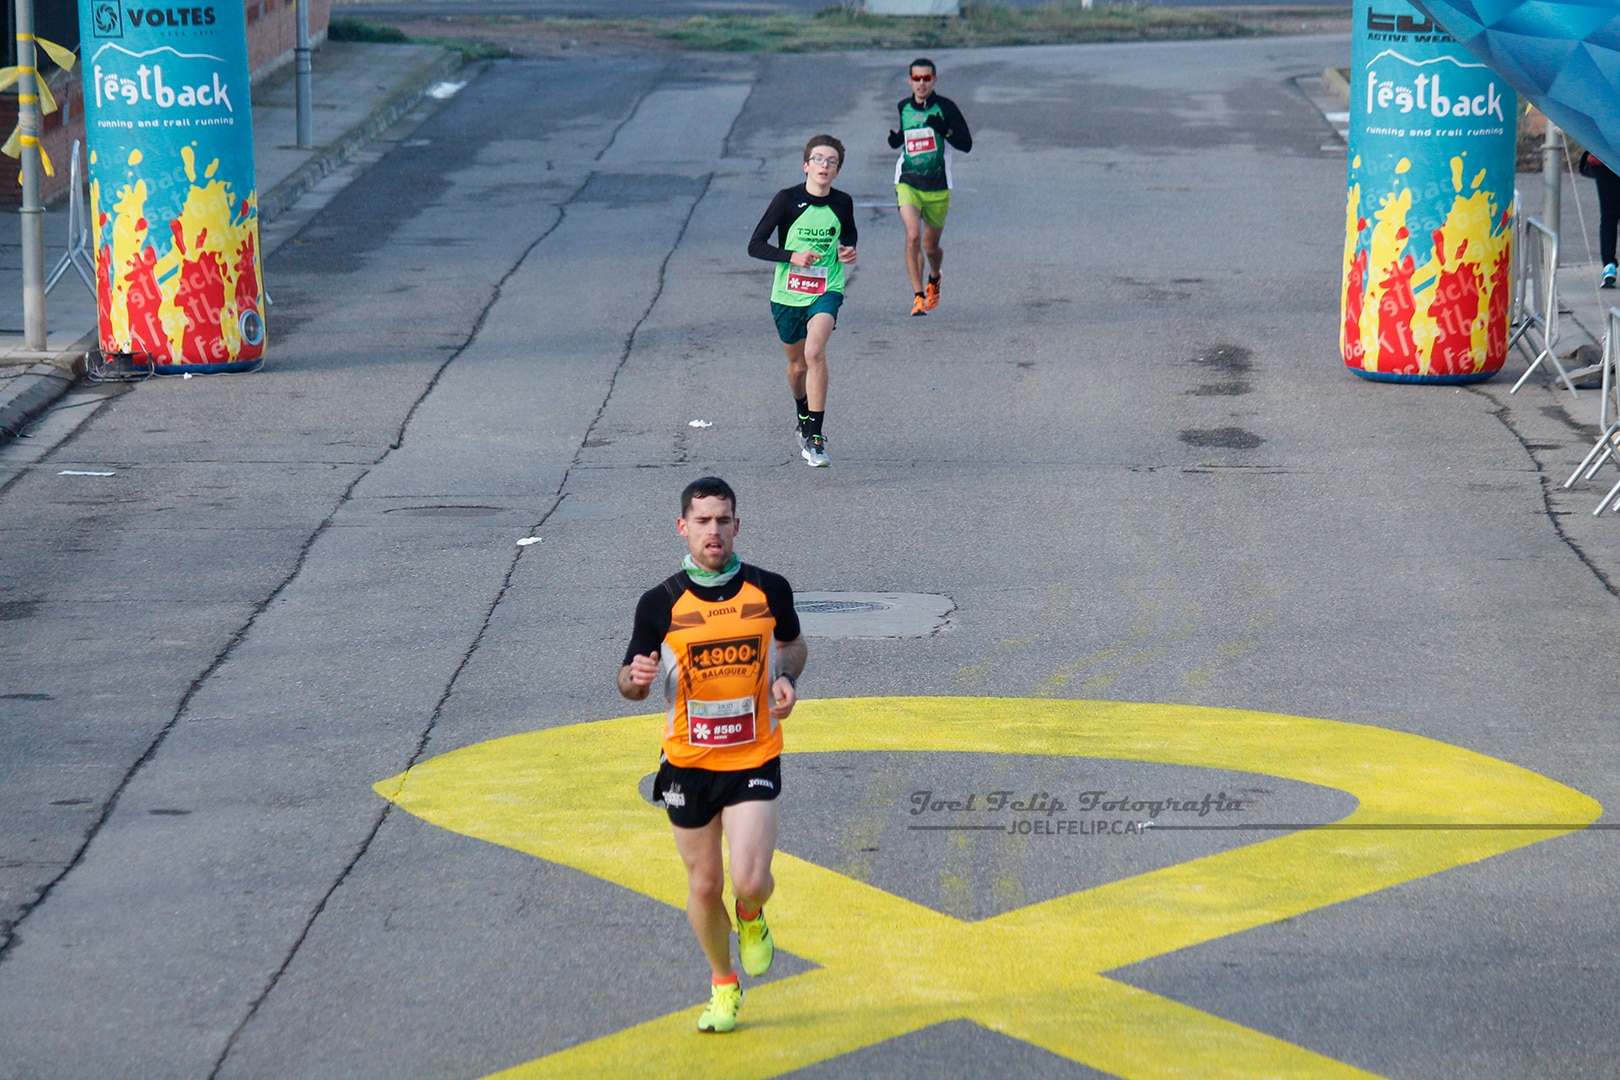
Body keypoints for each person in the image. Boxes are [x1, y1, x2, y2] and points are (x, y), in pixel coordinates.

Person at [618, 476, 807, 1034]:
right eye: (702, 522)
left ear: (736, 526)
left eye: (722, 520)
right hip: (687, 766)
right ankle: (723, 984)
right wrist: (636, 676)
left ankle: (751, 915)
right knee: (703, 885)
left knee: (748, 881)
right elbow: (629, 680)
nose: (713, 531)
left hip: (753, 757)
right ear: (683, 527)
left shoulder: (770, 589)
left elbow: (793, 644)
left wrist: (786, 678)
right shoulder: (660, 603)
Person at [748, 135, 858, 468]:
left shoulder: (843, 202)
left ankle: (815, 438)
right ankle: (802, 410)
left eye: (832, 162)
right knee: (797, 367)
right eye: (819, 160)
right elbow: (755, 245)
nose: (825, 166)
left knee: (814, 352)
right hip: (788, 294)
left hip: (827, 289)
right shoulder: (786, 200)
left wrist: (847, 250)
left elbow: (848, 233)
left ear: (837, 171)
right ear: (806, 165)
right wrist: (791, 256)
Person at [888, 58, 972, 317]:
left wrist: (944, 130)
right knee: (912, 235)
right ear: (910, 81)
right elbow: (905, 136)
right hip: (908, 181)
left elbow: (966, 144)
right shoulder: (904, 107)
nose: (921, 83)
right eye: (917, 78)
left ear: (934, 80)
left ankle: (934, 276)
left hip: (937, 186)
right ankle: (917, 296)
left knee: (930, 247)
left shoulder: (946, 107)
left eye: (927, 79)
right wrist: (895, 140)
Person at [1580, 149, 1620, 288]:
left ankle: (1609, 266)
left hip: (1605, 158)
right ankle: (1609, 265)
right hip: (1605, 159)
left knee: (1609, 215)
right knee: (1609, 215)